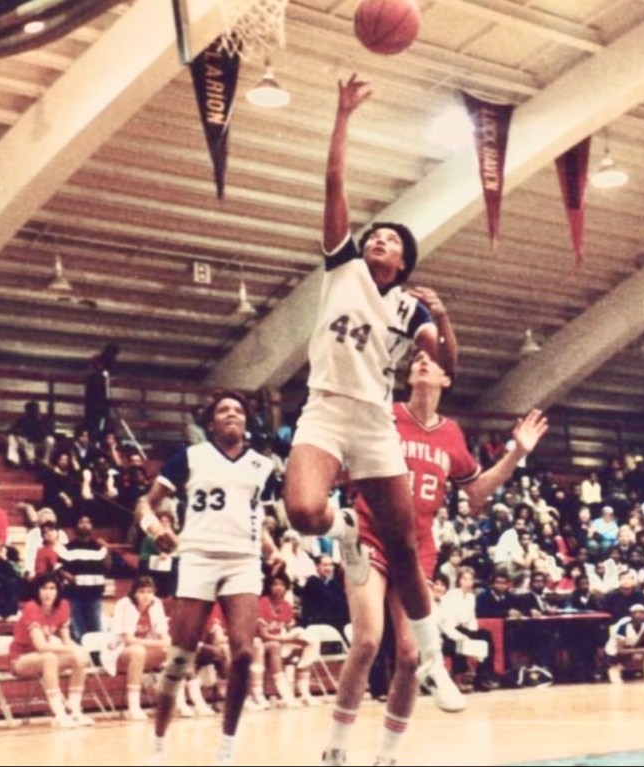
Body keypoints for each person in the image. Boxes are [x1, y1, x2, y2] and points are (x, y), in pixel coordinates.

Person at [282, 73, 462, 716]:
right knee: (303, 513)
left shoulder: (409, 305)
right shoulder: (345, 267)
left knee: (408, 549)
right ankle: (347, 530)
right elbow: (334, 186)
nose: (379, 238)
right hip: (327, 409)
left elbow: (445, 369)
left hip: (377, 423)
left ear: (405, 263)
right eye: (376, 233)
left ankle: (435, 662)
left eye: (392, 239)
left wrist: (441, 324)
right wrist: (342, 115)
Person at [321, 351, 547, 766]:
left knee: (412, 655)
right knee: (368, 639)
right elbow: (344, 459)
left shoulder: (451, 434)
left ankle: (386, 758)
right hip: (370, 534)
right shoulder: (385, 415)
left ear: (446, 379)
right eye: (416, 359)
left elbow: (477, 493)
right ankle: (334, 751)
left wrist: (516, 453)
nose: (422, 362)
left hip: (417, 547)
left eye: (431, 361)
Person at [137, 391, 275, 767]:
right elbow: (145, 503)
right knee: (180, 657)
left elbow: (255, 516)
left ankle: (227, 749)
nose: (232, 414)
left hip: (243, 562)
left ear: (246, 421)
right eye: (223, 410)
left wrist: (271, 549)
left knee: (245, 652)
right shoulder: (189, 457)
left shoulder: (262, 466)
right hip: (197, 557)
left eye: (238, 410)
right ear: (211, 423)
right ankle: (159, 745)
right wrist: (153, 528)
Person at [9, 572, 94, 727]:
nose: (48, 593)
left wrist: (77, 649)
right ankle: (59, 714)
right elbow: (41, 646)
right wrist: (68, 649)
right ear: (37, 591)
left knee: (80, 658)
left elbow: (66, 639)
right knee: (49, 657)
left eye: (52, 588)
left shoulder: (63, 606)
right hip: (21, 659)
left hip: (46, 657)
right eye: (44, 588)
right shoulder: (31, 608)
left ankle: (74, 711)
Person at [103, 575, 171, 720]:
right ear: (134, 593)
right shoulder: (124, 604)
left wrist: (167, 643)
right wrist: (161, 644)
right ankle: (133, 707)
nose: (146, 596)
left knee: (174, 652)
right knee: (138, 651)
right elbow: (128, 640)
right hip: (118, 651)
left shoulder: (157, 603)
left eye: (149, 592)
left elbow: (163, 634)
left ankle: (177, 700)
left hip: (144, 650)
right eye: (142, 592)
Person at [257, 571, 319, 708]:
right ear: (268, 586)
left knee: (306, 645)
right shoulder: (262, 603)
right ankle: (285, 694)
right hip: (261, 644)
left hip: (280, 641)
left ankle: (304, 692)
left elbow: (290, 629)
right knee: (274, 645)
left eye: (282, 584)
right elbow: (263, 635)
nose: (279, 587)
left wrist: (296, 639)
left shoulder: (285, 605)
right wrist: (286, 638)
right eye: (275, 584)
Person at [59, 514, 110, 642]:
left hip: (94, 594)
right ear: (76, 526)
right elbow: (59, 568)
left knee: (96, 630)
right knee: (78, 632)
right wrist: (68, 576)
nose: (85, 525)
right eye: (81, 522)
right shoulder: (67, 548)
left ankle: (95, 657)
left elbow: (107, 566)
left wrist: (107, 549)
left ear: (92, 526)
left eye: (88, 522)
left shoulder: (98, 547)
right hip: (74, 595)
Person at [84, 343, 119, 445]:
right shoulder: (98, 363)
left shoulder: (108, 363)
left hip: (100, 402)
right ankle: (95, 440)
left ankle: (101, 439)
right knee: (95, 422)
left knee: (101, 421)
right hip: (96, 402)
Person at [7, 400, 55, 468]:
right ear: (27, 411)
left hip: (39, 444)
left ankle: (45, 461)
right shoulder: (22, 420)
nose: (34, 412)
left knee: (51, 440)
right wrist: (23, 435)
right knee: (12, 437)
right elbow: (11, 430)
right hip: (27, 445)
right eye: (31, 410)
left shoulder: (42, 420)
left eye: (35, 410)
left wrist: (39, 425)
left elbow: (49, 434)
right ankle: (14, 460)